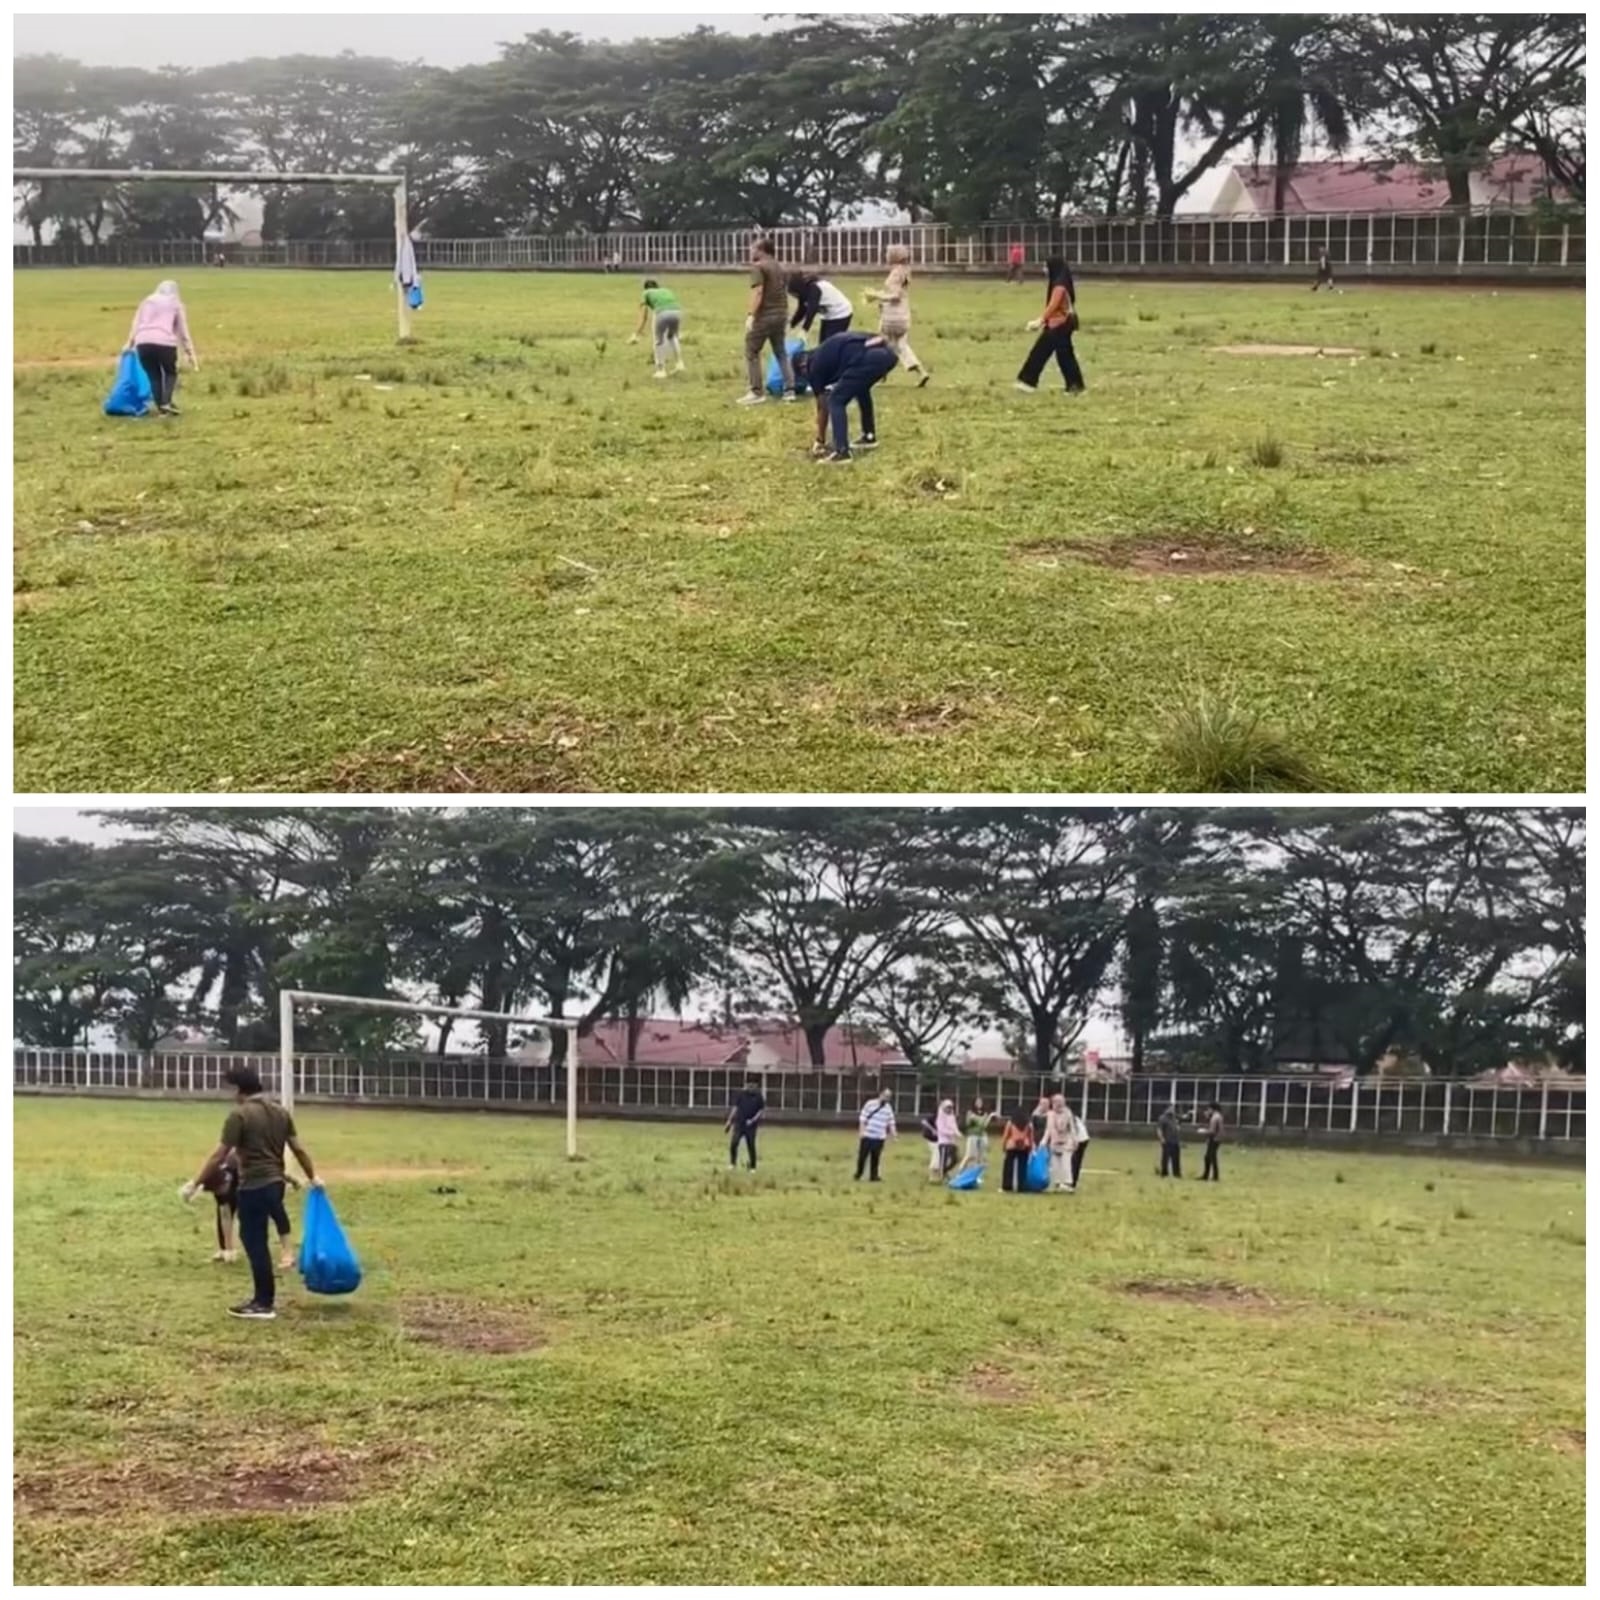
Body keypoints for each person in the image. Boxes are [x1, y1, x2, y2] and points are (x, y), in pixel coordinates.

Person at [182, 1066, 319, 1321]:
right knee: (262, 1238)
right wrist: (313, 1176)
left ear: (237, 1088)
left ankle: (263, 1302)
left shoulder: (240, 1115)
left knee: (254, 1242)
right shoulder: (280, 1112)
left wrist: (195, 1183)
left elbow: (219, 1155)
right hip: (276, 1183)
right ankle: (264, 1298)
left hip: (253, 1184)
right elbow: (298, 1149)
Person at [186, 1152, 299, 1268]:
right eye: (217, 1192)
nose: (220, 1193)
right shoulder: (215, 1181)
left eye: (221, 1190)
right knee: (225, 1207)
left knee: (267, 1211)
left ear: (226, 1180)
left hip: (256, 1179)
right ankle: (225, 1249)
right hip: (237, 1184)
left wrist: (289, 1179)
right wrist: (229, 1250)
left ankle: (282, 1251)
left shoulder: (240, 1164)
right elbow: (225, 1214)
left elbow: (267, 1169)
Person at [805, 329, 898, 465]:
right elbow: (880, 338)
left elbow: (822, 406)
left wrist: (820, 440)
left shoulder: (813, 367)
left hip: (869, 358)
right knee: (861, 388)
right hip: (889, 355)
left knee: (836, 400)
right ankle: (868, 436)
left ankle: (842, 452)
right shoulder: (829, 347)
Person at [125, 279, 199, 417]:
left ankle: (161, 409)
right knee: (170, 373)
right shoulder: (176, 304)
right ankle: (166, 402)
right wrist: (190, 353)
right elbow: (183, 331)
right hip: (165, 343)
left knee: (154, 376)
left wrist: (129, 344)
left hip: (143, 342)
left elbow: (136, 323)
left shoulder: (146, 301)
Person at [738, 237, 797, 406]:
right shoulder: (780, 267)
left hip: (765, 315)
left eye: (753, 248)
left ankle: (756, 392)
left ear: (761, 249)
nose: (751, 251)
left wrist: (751, 315)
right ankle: (790, 390)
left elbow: (758, 292)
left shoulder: (758, 267)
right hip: (781, 314)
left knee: (751, 351)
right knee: (780, 352)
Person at [863, 244, 930, 386]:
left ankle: (878, 373)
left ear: (894, 256)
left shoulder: (895, 273)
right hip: (904, 315)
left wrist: (876, 296)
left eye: (887, 253)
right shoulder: (906, 271)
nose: (885, 255)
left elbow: (895, 295)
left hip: (891, 315)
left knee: (883, 343)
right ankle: (921, 371)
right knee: (901, 345)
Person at [1015, 257, 1084, 395]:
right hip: (1061, 324)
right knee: (1065, 356)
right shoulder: (1062, 282)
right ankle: (1075, 385)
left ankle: (1027, 382)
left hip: (1059, 325)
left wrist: (1039, 321)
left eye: (1046, 267)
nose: (1044, 270)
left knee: (1039, 353)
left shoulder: (1059, 286)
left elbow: (1053, 305)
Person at [630, 279, 685, 379]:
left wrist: (636, 334)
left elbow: (644, 317)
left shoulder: (646, 293)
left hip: (662, 312)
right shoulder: (666, 290)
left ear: (645, 288)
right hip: (677, 312)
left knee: (658, 342)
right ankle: (679, 363)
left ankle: (661, 370)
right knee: (672, 337)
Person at [788, 272, 853, 342]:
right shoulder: (804, 293)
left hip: (841, 313)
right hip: (828, 315)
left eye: (794, 294)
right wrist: (791, 325)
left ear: (798, 289)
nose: (794, 296)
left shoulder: (814, 289)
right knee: (823, 345)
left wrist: (804, 331)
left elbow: (811, 312)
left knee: (830, 345)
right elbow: (801, 311)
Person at [855, 1089, 896, 1182]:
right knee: (862, 1157)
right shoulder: (870, 1104)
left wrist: (894, 1134)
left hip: (879, 1137)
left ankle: (874, 1176)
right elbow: (863, 1118)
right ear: (880, 1094)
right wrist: (861, 1131)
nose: (887, 1098)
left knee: (875, 1157)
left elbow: (891, 1122)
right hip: (868, 1135)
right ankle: (858, 1174)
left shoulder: (888, 1108)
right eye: (885, 1096)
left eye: (889, 1097)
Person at [725, 1076, 765, 1169]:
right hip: (739, 1123)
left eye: (753, 1085)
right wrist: (729, 1121)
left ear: (756, 1086)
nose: (750, 1087)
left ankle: (752, 1166)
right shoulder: (741, 1094)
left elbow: (761, 1111)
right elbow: (735, 1108)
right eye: (749, 1085)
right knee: (734, 1143)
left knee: (751, 1145)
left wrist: (753, 1120)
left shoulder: (759, 1096)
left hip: (751, 1125)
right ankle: (732, 1163)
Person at [1042, 1093, 1078, 1192]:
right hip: (1054, 1142)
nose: (1058, 1104)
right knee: (1054, 1164)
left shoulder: (1068, 1112)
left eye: (1060, 1102)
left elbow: (1072, 1127)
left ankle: (1067, 1184)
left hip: (1066, 1142)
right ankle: (1056, 1184)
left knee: (1066, 1163)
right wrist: (1044, 1142)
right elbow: (1048, 1129)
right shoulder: (1050, 1114)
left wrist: (1074, 1139)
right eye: (1055, 1102)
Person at [1000, 1107, 1034, 1193]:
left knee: (1008, 1168)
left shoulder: (1010, 1123)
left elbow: (1006, 1136)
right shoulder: (1029, 1124)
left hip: (1011, 1146)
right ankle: (1021, 1187)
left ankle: (1007, 1187)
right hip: (1024, 1146)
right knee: (1022, 1168)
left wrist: (1003, 1146)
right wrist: (1030, 1148)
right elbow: (1030, 1137)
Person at [962, 1098, 991, 1169]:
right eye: (977, 1102)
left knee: (981, 1156)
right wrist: (971, 1118)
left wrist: (989, 1117)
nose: (979, 1103)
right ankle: (962, 1170)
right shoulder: (970, 1112)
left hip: (981, 1135)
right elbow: (967, 1124)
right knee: (970, 1155)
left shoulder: (985, 1113)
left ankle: (976, 1174)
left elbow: (984, 1125)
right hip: (972, 1135)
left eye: (980, 1102)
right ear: (974, 1103)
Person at [935, 1098, 960, 1178]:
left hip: (952, 1142)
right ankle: (941, 1176)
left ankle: (945, 1171)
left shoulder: (952, 1116)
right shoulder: (940, 1117)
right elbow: (941, 1130)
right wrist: (952, 1133)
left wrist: (957, 1133)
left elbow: (954, 1126)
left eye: (950, 1107)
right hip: (943, 1142)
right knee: (943, 1160)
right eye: (947, 1107)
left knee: (955, 1159)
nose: (949, 1109)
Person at [1069, 1102, 1092, 1190]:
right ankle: (1072, 1181)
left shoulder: (1072, 1118)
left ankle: (1072, 1182)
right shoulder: (1074, 1117)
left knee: (1075, 1162)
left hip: (1081, 1140)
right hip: (1083, 1139)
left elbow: (1074, 1131)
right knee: (1075, 1162)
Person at [1157, 1104, 1183, 1179]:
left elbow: (1177, 1126)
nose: (1172, 1110)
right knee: (1165, 1158)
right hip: (1167, 1141)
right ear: (1166, 1109)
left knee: (1176, 1158)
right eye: (1170, 1108)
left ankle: (1177, 1173)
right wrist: (1161, 1138)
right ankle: (1164, 1173)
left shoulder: (1174, 1118)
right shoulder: (1162, 1118)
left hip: (1175, 1141)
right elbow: (1159, 1129)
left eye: (1173, 1108)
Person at [1201, 1100, 1224, 1182]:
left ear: (1212, 1108)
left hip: (1214, 1139)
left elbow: (1212, 1131)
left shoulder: (1215, 1117)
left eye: (1209, 1109)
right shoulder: (1219, 1116)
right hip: (1217, 1139)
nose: (1208, 1111)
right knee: (1210, 1157)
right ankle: (1213, 1176)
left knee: (1210, 1157)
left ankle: (1209, 1176)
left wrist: (1203, 1131)